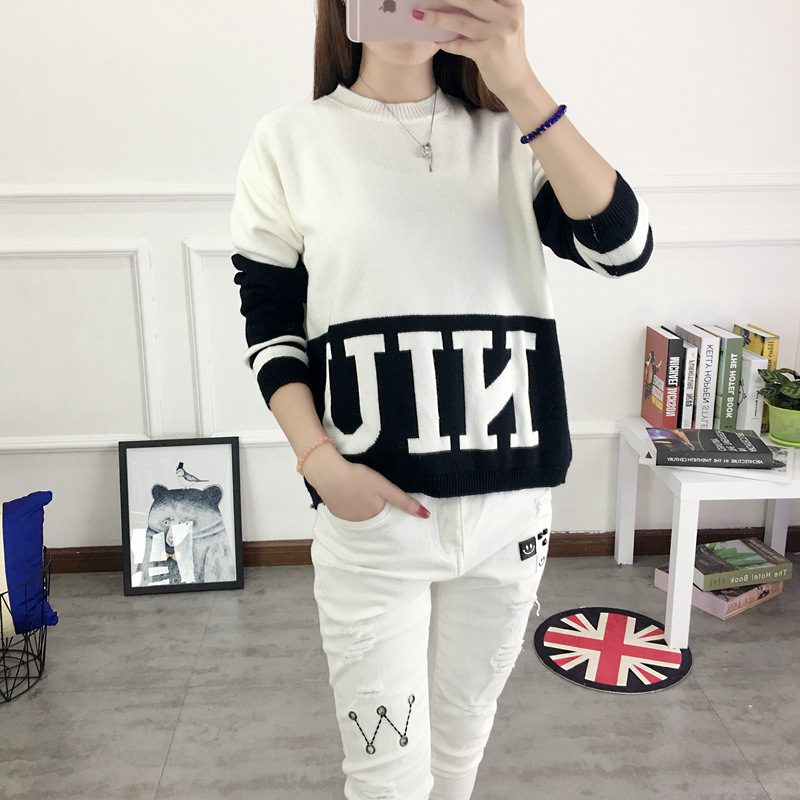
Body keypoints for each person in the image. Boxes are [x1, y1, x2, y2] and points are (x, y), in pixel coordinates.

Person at [230, 1, 653, 797]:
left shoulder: (511, 139)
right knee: (384, 781)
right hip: (373, 522)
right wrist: (321, 464)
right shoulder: (290, 141)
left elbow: (623, 247)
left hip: (510, 522)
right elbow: (272, 329)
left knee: (459, 757)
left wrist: (518, 81)